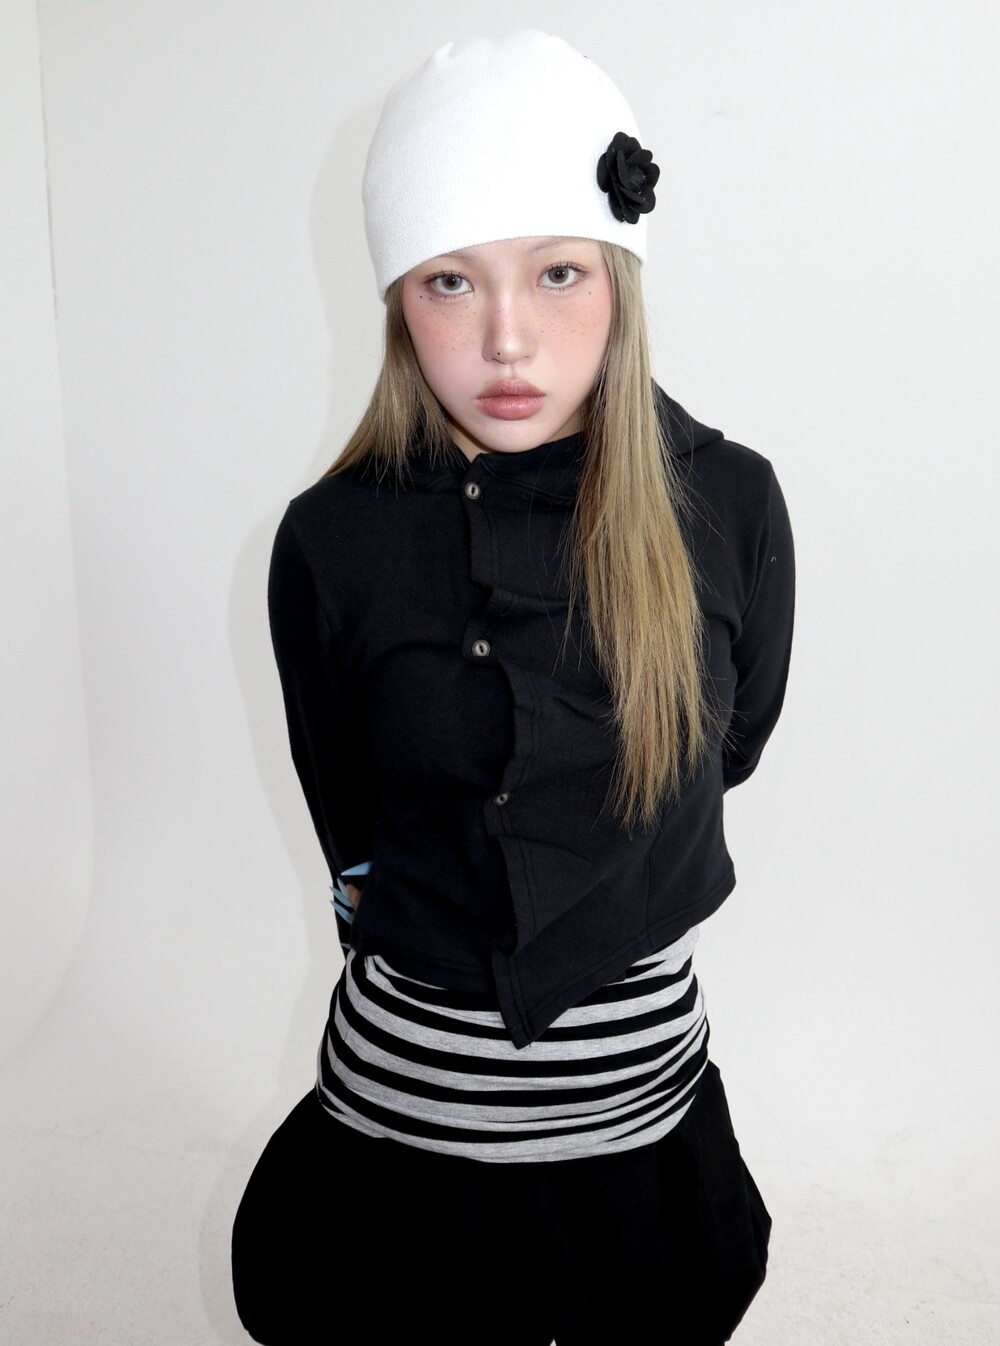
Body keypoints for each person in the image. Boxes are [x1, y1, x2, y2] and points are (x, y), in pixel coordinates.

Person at [232, 30, 794, 1346]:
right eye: (450, 280)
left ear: (621, 278)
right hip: (402, 1153)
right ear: (396, 301)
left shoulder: (729, 507)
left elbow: (733, 743)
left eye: (556, 272)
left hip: (641, 1137)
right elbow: (349, 812)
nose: (506, 338)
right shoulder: (330, 541)